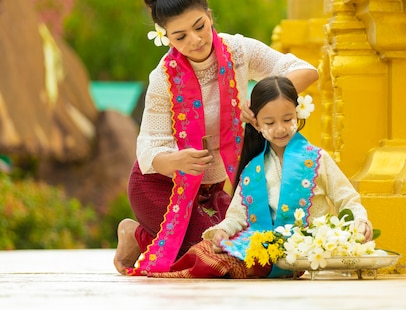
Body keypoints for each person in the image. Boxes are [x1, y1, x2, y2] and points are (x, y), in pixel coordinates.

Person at [113, 0, 318, 275]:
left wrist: (261, 100)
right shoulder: (162, 80)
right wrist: (175, 160)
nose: (195, 41)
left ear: (209, 16)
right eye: (180, 36)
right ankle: (137, 236)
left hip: (212, 189)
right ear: (164, 37)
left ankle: (148, 236)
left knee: (258, 245)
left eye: (200, 27)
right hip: (161, 187)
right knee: (221, 253)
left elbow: (306, 70)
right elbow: (148, 150)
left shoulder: (237, 50)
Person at [148, 76, 372, 279]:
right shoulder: (253, 169)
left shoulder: (318, 159)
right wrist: (223, 232)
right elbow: (237, 216)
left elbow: (346, 198)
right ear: (256, 123)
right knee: (204, 251)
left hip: (307, 250)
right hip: (262, 248)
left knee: (219, 263)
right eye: (270, 122)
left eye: (287, 119)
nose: (280, 129)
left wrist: (360, 222)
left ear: (298, 113)